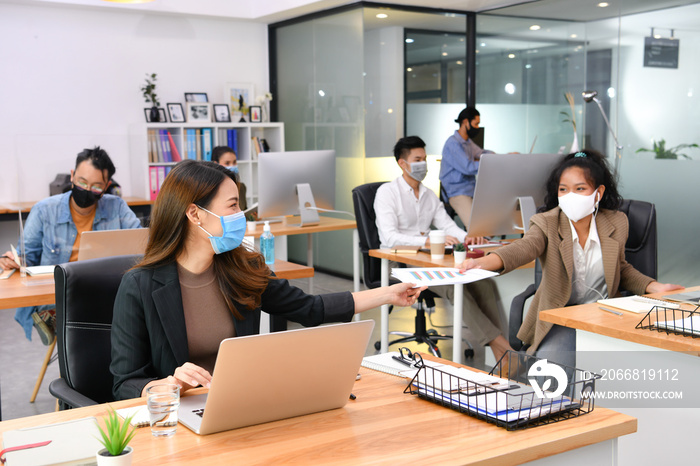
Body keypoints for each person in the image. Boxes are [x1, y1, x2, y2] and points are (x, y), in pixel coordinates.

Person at [110, 160, 424, 400]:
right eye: (232, 206)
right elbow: (125, 382)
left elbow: (310, 308)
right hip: (181, 414)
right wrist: (168, 384)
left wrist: (387, 294)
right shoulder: (140, 286)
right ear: (195, 214)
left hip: (246, 400)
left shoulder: (243, 267)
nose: (241, 218)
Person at [460, 150, 682, 368]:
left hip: (605, 314)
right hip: (562, 318)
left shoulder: (617, 222)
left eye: (580, 189)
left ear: (598, 193)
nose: (570, 196)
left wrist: (655, 287)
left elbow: (621, 268)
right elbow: (523, 247)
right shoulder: (547, 222)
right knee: (550, 379)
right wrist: (482, 263)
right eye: (563, 190)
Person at [374, 136, 513, 363]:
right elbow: (388, 237)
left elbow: (447, 225)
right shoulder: (387, 193)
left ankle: (499, 353)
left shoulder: (428, 195)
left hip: (428, 257)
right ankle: (502, 347)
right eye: (417, 159)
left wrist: (469, 236)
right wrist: (425, 241)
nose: (423, 164)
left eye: (425, 159)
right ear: (402, 163)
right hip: (399, 259)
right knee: (452, 285)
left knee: (484, 281)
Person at [0, 147, 141, 345]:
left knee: (131, 317)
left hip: (104, 290)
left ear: (107, 186)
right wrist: (14, 261)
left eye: (96, 187)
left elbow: (141, 244)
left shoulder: (116, 207)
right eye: (82, 182)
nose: (86, 190)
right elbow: (26, 257)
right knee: (106, 329)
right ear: (73, 176)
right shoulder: (44, 210)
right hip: (61, 294)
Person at [438, 106, 491, 227]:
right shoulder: (453, 143)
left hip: (472, 190)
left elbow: (481, 153)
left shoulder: (467, 142)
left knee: (491, 222)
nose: (477, 127)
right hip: (457, 192)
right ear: (465, 122)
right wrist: (488, 162)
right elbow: (468, 168)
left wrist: (497, 157)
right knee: (476, 227)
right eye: (476, 124)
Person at [211, 146, 247, 211]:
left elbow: (244, 211)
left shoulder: (241, 187)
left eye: (234, 162)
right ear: (216, 164)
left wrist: (252, 217)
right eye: (227, 163)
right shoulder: (211, 190)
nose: (232, 166)